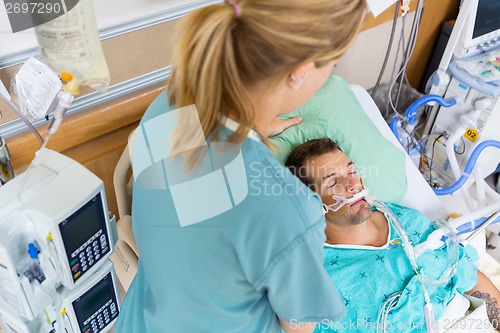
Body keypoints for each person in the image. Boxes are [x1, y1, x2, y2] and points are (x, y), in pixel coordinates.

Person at [115, 1, 367, 332]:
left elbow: (201, 212)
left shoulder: (171, 104)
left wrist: (253, 126)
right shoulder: (289, 209)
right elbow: (299, 328)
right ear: (301, 71)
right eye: (333, 65)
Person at [285, 138, 500, 332]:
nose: (352, 185)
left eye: (351, 171)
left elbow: (467, 275)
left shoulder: (405, 219)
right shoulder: (320, 274)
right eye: (333, 183)